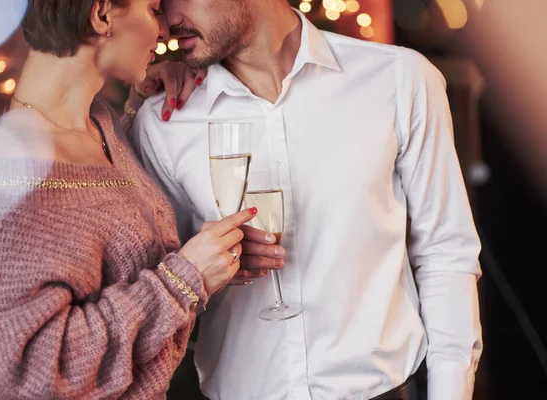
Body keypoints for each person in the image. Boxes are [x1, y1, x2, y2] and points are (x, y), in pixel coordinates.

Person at [126, 1, 483, 399]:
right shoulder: (164, 119)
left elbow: (445, 253)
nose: (166, 19)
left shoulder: (399, 80)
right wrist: (207, 268)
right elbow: (159, 285)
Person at [0, 0, 270, 399]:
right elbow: (33, 375)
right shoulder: (15, 173)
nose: (166, 31)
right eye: (153, 9)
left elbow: (110, 243)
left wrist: (212, 262)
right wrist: (186, 279)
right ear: (102, 15)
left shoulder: (98, 123)